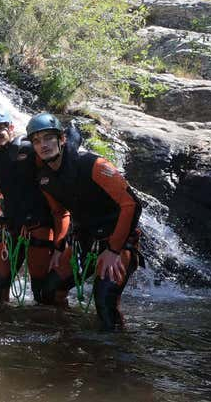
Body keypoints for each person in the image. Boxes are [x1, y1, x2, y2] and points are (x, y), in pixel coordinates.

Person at [27, 112, 142, 330]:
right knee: (48, 291)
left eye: (48, 138)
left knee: (104, 301)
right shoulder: (45, 179)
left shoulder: (93, 164)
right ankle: (67, 336)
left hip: (116, 238)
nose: (43, 145)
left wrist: (114, 250)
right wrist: (60, 247)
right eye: (37, 140)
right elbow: (60, 213)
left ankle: (117, 354)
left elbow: (132, 204)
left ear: (62, 139)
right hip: (84, 241)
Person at [0, 108, 56, 304]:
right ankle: (0, 331)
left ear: (11, 127)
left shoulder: (30, 149)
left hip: (38, 224)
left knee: (41, 290)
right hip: (11, 225)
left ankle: (46, 330)